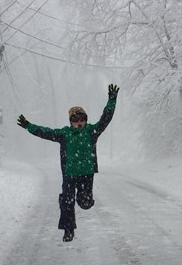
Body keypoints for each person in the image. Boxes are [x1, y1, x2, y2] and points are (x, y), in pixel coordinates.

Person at [17, 84, 119, 242]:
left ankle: (84, 199)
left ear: (86, 120)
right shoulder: (64, 134)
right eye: (75, 119)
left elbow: (105, 119)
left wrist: (112, 100)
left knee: (85, 204)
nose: (79, 122)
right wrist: (29, 126)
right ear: (70, 121)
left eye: (82, 119)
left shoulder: (91, 131)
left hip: (86, 173)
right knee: (66, 201)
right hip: (69, 174)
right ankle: (68, 230)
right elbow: (45, 132)